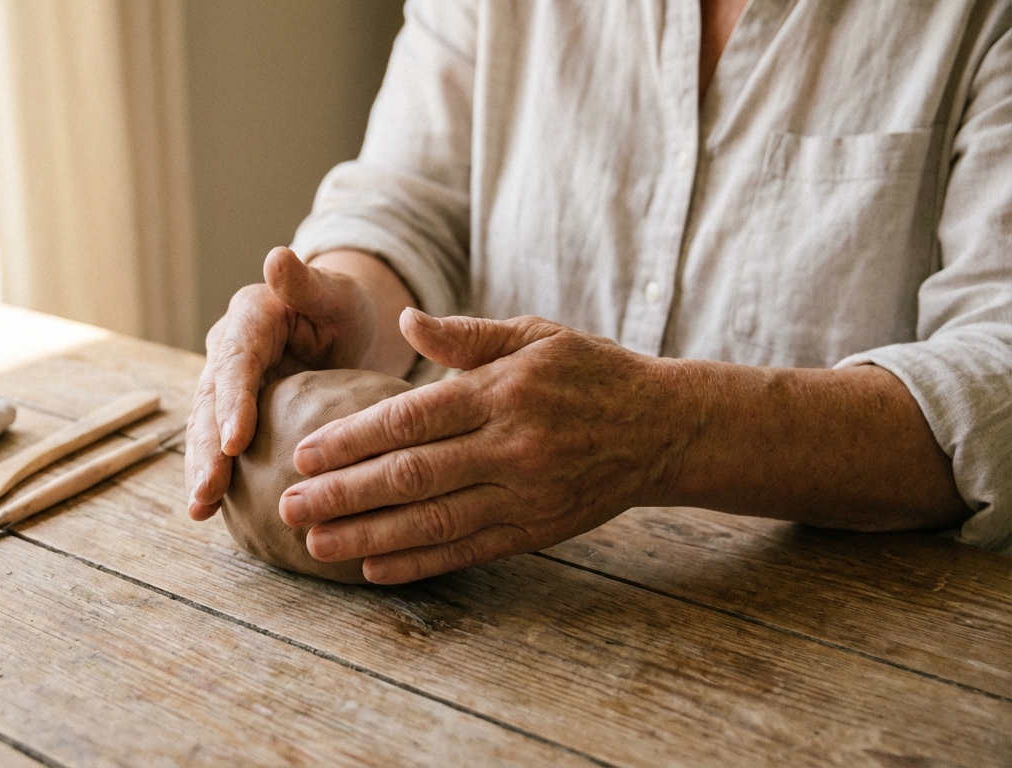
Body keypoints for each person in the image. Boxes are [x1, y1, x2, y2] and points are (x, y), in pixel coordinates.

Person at [184, 0, 1012, 584]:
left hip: (863, 640)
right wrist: (351, 304)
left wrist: (664, 430)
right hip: (517, 616)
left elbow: (999, 376)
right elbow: (407, 203)